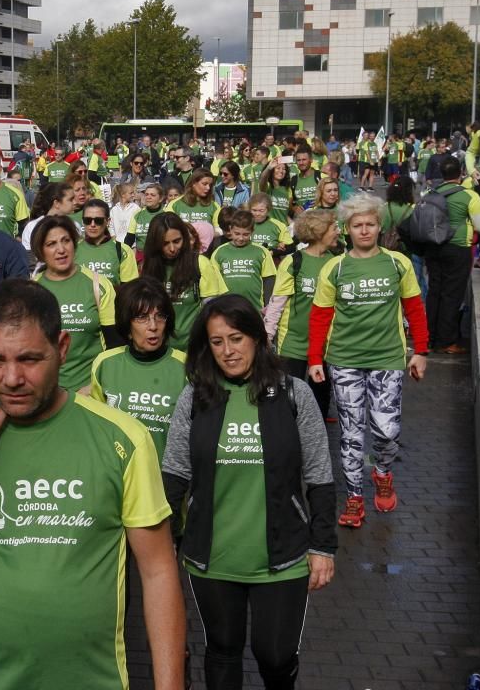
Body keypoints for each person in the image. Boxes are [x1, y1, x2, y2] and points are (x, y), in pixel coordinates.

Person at [0, 281, 186, 689]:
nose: (12, 377)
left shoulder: (122, 437)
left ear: (63, 348)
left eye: (30, 359)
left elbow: (158, 571)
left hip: (89, 679)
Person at [162, 295, 336, 690]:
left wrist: (323, 546)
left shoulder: (294, 394)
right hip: (213, 556)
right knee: (222, 650)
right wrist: (166, 542)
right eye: (217, 341)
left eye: (236, 338)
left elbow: (320, 475)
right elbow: (174, 473)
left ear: (257, 338)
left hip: (283, 556)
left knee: (274, 655)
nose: (228, 350)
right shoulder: (196, 397)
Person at [307, 194, 429, 527]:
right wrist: (315, 358)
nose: (364, 230)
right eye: (357, 225)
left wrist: (420, 351)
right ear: (347, 229)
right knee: (351, 433)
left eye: (370, 224)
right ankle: (354, 498)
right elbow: (319, 317)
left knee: (387, 431)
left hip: (388, 359)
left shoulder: (396, 263)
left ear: (379, 225)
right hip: (344, 360)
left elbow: (414, 308)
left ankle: (383, 472)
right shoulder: (336, 268)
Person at [90, 277, 187, 462]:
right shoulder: (105, 364)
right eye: (142, 318)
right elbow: (98, 431)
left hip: (167, 481)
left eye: (160, 316)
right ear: (127, 324)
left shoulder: (186, 367)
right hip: (120, 477)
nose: (153, 326)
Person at [264, 209, 339, 422]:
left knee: (321, 394)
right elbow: (277, 302)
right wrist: (267, 335)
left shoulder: (336, 262)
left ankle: (317, 436)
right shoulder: (293, 261)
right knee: (290, 396)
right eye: (334, 228)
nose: (338, 232)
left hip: (325, 342)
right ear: (319, 231)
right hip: (293, 341)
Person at [31, 215, 117, 393]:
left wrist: (93, 387)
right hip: (46, 391)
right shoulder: (32, 290)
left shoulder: (98, 285)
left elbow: (115, 346)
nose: (61, 249)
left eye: (66, 241)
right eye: (51, 244)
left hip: (91, 391)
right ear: (40, 251)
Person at [141, 212, 229, 351]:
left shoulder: (200, 263)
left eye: (177, 241)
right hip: (159, 349)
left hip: (194, 349)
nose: (172, 248)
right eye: (165, 243)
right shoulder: (147, 268)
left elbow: (212, 311)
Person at [423, 156, 480, 354]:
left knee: (434, 291)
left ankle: (429, 338)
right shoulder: (469, 196)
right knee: (451, 294)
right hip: (458, 248)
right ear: (461, 173)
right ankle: (446, 341)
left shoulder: (429, 193)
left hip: (433, 247)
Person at [210, 209, 277, 310]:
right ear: (230, 229)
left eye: (245, 234)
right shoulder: (219, 252)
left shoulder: (262, 252)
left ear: (252, 231)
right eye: (237, 233)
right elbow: (213, 282)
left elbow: (269, 280)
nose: (241, 238)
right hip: (226, 309)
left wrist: (268, 306)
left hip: (255, 309)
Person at [74, 199, 139, 286]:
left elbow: (130, 290)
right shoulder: (73, 249)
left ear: (108, 221)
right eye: (87, 220)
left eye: (98, 220)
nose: (92, 224)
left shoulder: (123, 251)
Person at [22, 182, 78, 253]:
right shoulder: (32, 227)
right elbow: (29, 257)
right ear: (56, 203)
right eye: (71, 199)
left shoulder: (75, 226)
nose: (75, 202)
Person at [247, 192, 293, 259]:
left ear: (268, 210)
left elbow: (291, 248)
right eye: (254, 210)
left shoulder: (279, 225)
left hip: (272, 263)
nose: (257, 214)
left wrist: (274, 252)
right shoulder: (245, 223)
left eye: (261, 210)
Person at [125, 182, 166, 253]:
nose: (148, 197)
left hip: (161, 255)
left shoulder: (167, 214)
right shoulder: (137, 214)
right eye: (146, 194)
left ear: (160, 198)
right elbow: (129, 238)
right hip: (142, 255)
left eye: (152, 195)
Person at [258, 159, 293, 224]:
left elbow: (284, 214)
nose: (281, 171)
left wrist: (293, 225)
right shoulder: (267, 186)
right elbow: (262, 180)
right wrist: (268, 168)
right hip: (269, 228)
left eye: (284, 169)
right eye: (278, 168)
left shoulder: (287, 189)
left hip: (283, 229)